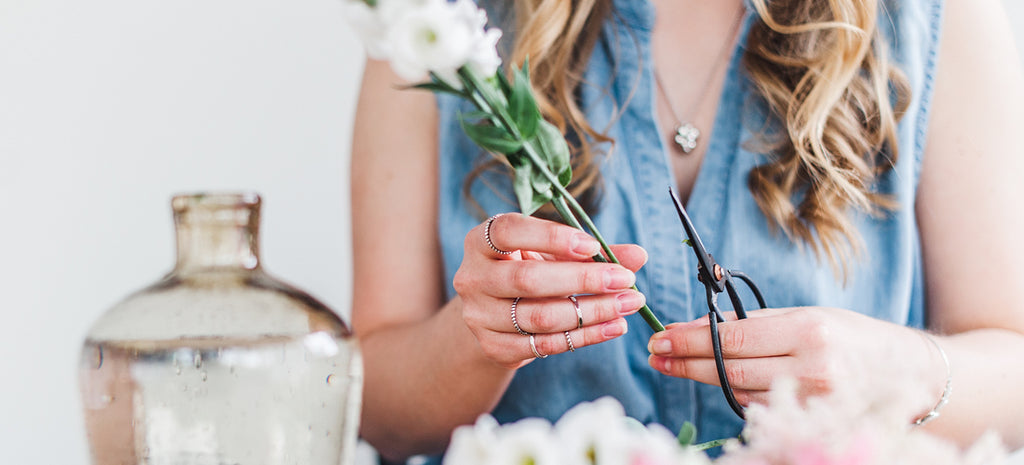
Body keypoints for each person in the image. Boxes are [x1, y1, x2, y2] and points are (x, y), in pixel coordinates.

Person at [350, 0, 1024, 462]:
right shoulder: (436, 28)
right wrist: (476, 339)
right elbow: (367, 400)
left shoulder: (937, 19)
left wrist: (893, 374)